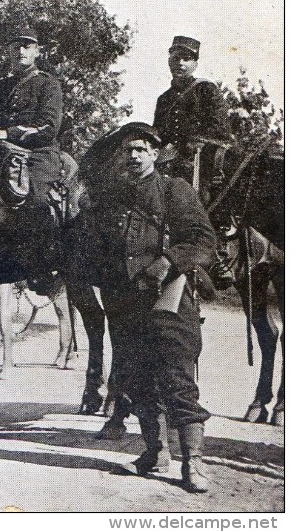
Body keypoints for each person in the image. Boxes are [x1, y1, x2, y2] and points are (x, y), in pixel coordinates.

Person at [80, 122, 216, 493]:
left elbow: (203, 240)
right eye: (128, 149)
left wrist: (167, 262)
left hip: (167, 298)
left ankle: (193, 463)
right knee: (137, 379)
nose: (134, 155)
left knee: (177, 378)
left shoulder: (175, 191)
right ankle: (155, 453)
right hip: (124, 302)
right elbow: (96, 243)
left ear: (155, 154)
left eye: (142, 148)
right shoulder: (112, 196)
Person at [0, 26, 65, 293]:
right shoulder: (2, 85)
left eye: (27, 46)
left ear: (37, 51)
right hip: (3, 152)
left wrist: (10, 133)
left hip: (38, 154)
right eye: (16, 46)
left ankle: (40, 267)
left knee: (37, 198)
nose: (20, 51)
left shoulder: (48, 83)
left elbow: (49, 128)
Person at [153, 36, 233, 193]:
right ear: (169, 61)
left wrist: (188, 143)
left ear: (195, 64)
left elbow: (220, 128)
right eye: (176, 58)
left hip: (200, 162)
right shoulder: (164, 99)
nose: (180, 63)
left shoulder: (205, 89)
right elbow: (157, 135)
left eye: (186, 59)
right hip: (167, 163)